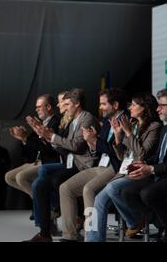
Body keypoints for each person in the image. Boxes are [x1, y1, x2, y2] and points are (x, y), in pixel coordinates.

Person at [24, 88, 100, 242]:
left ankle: (68, 220)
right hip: (73, 164)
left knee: (54, 181)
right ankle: (45, 233)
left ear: (77, 104)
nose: (64, 107)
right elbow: (64, 147)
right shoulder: (73, 120)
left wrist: (52, 136)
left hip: (83, 166)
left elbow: (76, 146)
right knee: (39, 185)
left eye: (67, 104)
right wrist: (46, 137)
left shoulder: (87, 119)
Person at [86, 92, 162, 242]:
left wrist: (127, 132)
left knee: (112, 188)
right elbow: (122, 156)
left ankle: (134, 220)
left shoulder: (155, 126)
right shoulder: (133, 125)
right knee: (99, 200)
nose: (130, 108)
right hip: (125, 170)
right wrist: (117, 136)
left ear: (144, 108)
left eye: (134, 105)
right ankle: (94, 240)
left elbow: (142, 154)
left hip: (141, 172)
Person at [58, 88, 127, 241]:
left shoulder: (125, 121)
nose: (100, 107)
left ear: (115, 105)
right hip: (101, 165)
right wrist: (92, 143)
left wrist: (94, 141)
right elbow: (99, 150)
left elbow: (119, 154)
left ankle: (92, 237)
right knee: (65, 188)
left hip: (116, 167)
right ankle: (70, 235)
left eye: (103, 104)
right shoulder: (108, 122)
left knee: (89, 189)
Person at [5, 94, 61, 222]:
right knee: (9, 177)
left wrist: (27, 137)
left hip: (49, 161)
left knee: (21, 177)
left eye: (39, 107)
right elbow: (33, 148)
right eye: (36, 107)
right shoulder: (42, 124)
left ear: (49, 107)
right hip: (37, 161)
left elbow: (49, 149)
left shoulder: (55, 122)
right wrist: (23, 139)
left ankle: (49, 205)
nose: (37, 110)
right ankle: (40, 201)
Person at [122, 88, 167, 242]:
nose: (158, 108)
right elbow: (157, 155)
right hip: (157, 172)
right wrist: (146, 163)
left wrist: (152, 168)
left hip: (162, 173)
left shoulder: (155, 126)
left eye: (162, 105)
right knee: (127, 192)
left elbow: (142, 151)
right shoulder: (165, 127)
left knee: (147, 193)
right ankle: (162, 225)